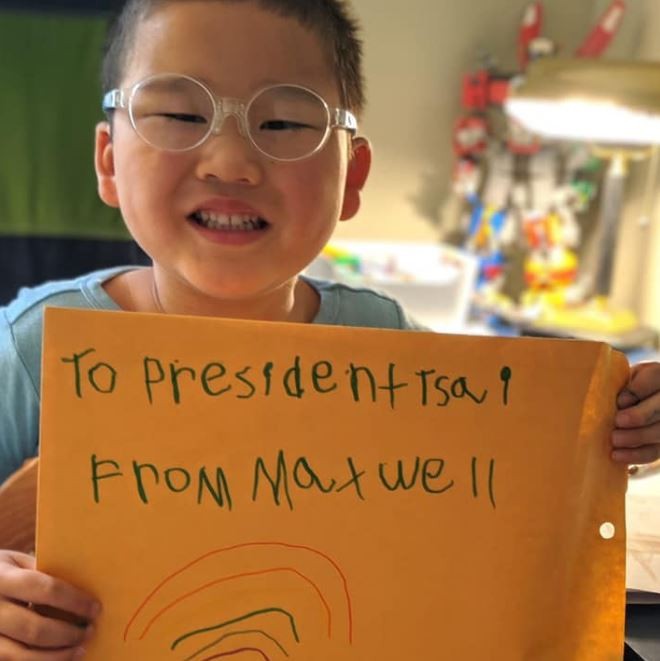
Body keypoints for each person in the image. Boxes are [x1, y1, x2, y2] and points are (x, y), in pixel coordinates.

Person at [0, 0, 658, 658]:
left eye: (284, 122)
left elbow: (514, 476)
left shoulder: (389, 344)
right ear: (109, 161)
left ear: (353, 178)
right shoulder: (31, 349)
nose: (230, 161)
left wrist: (623, 426)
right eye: (179, 115)